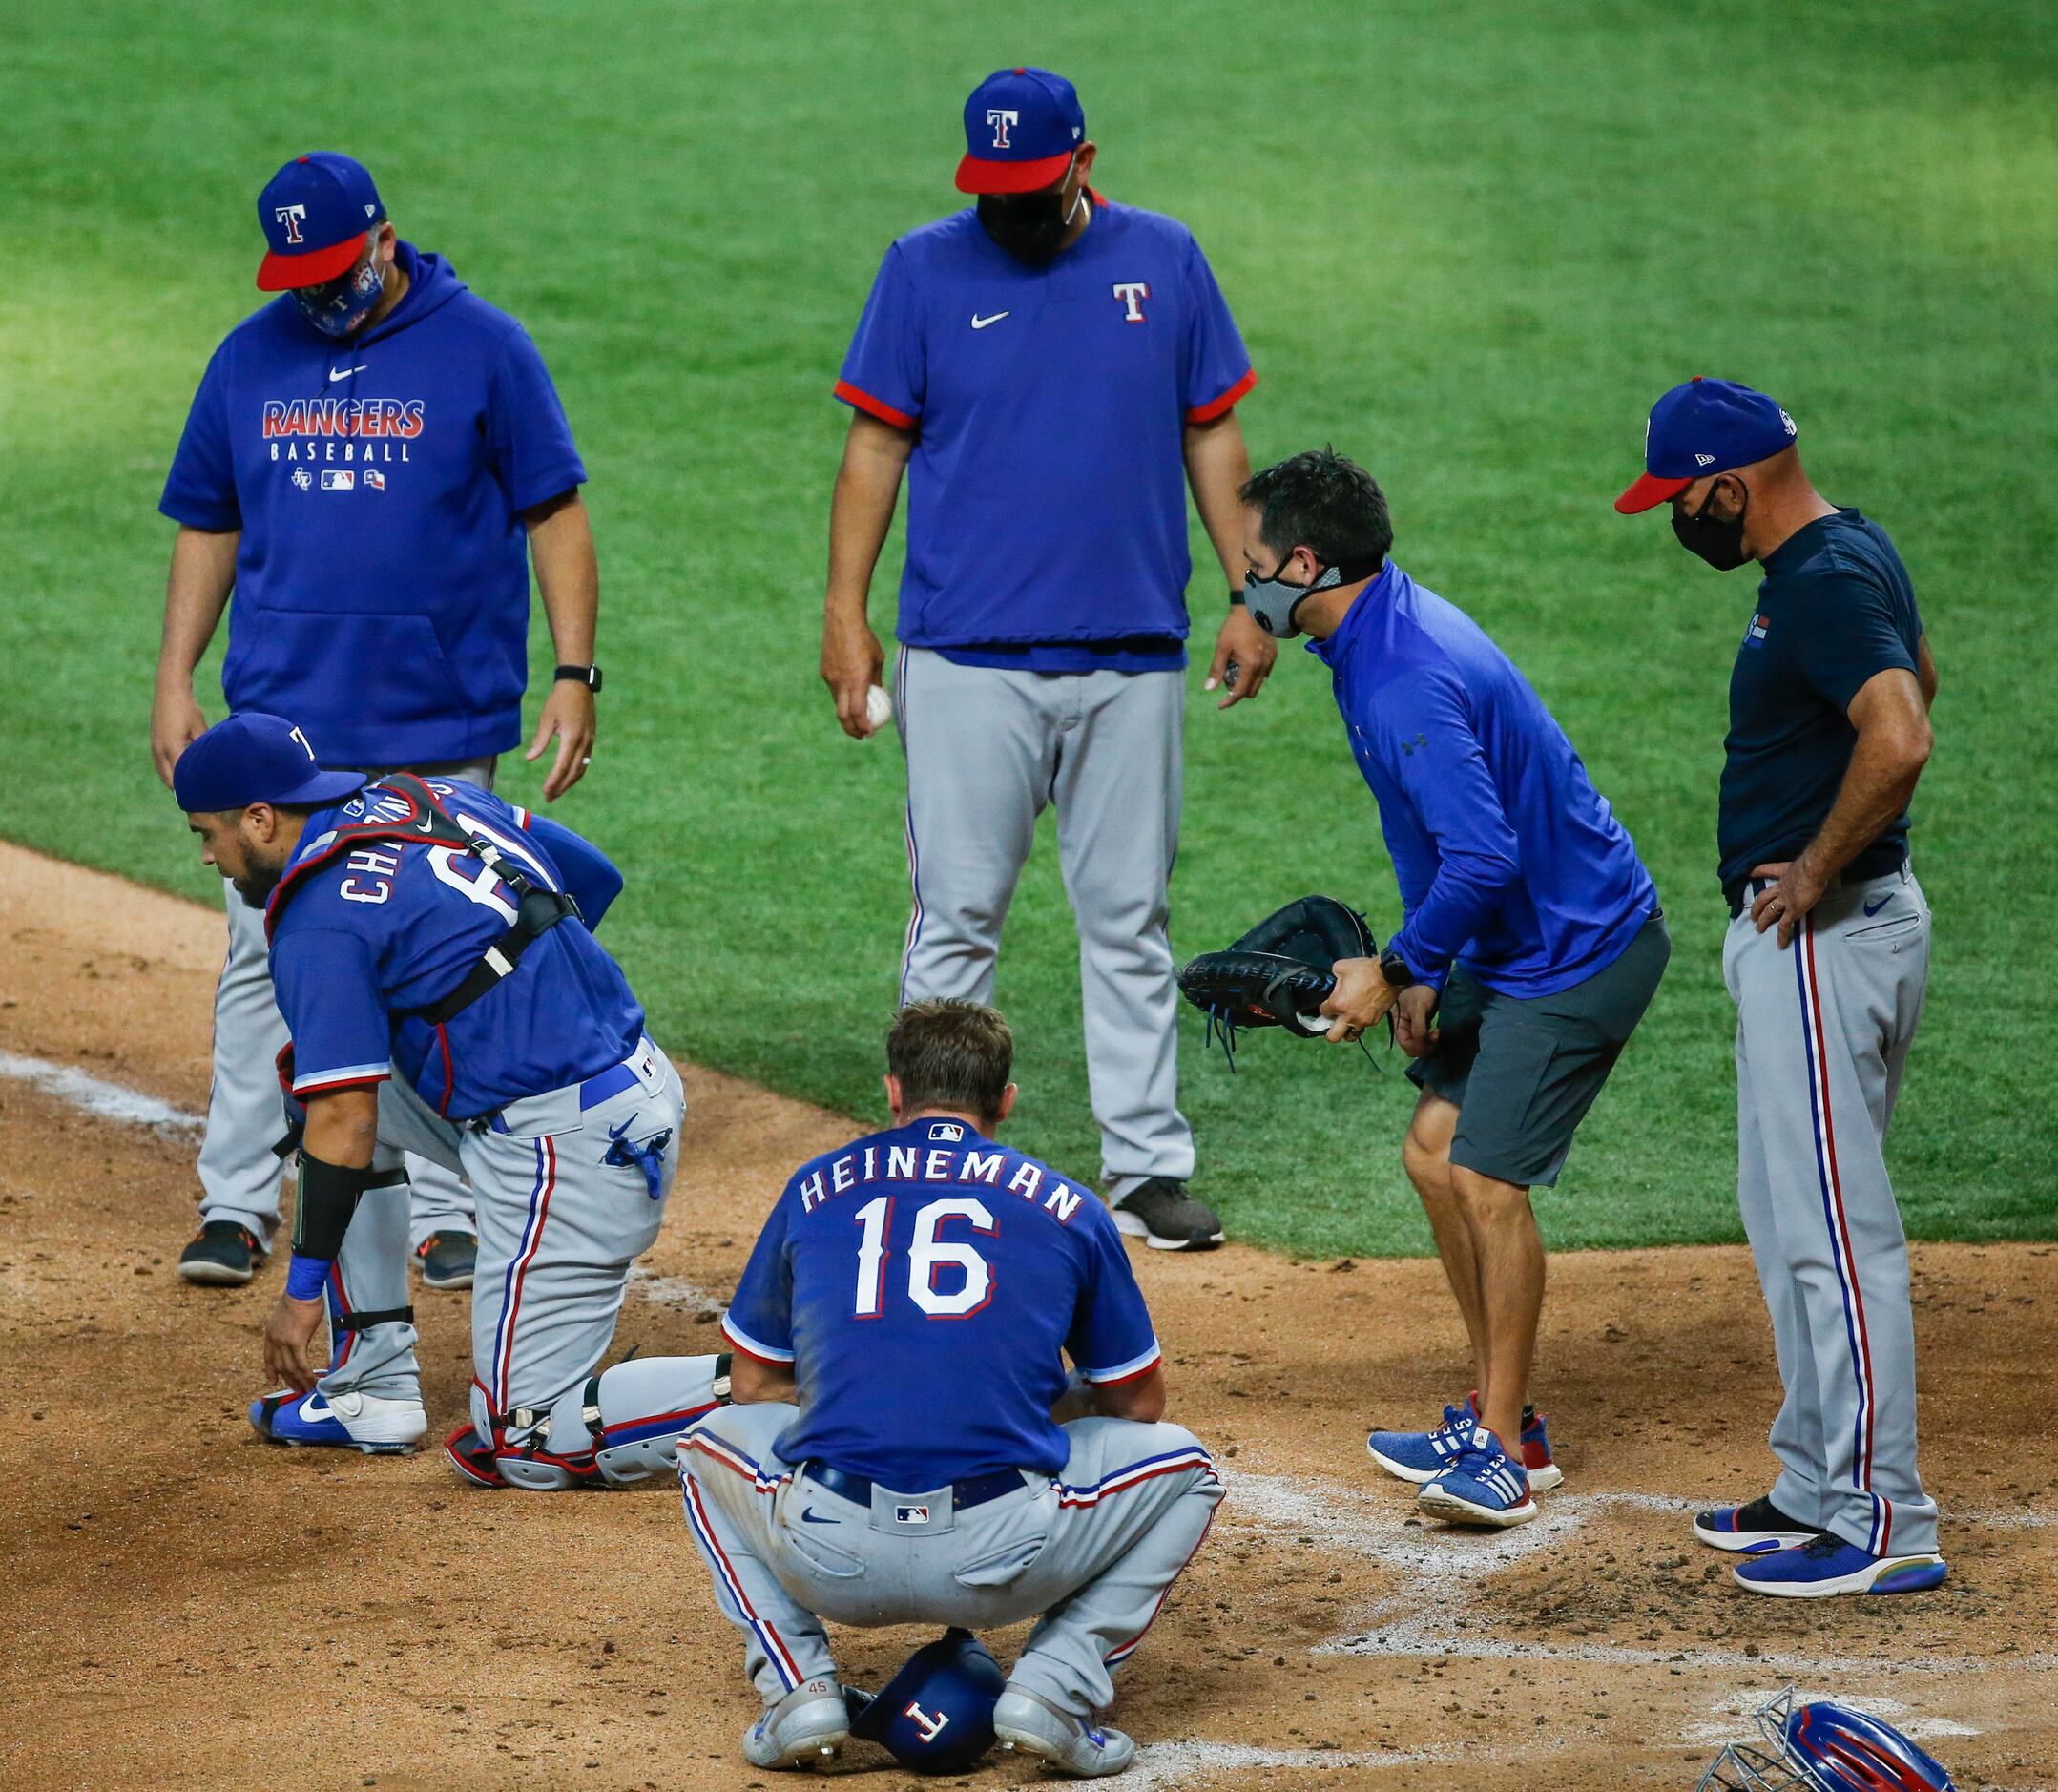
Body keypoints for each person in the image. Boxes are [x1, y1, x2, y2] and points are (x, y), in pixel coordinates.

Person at [819, 67, 1271, 1251]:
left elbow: (1210, 428)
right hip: (965, 655)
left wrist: (1249, 592)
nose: (1009, 210)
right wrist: (844, 612)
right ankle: (936, 1152)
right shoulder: (922, 267)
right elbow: (875, 448)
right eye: (993, 190)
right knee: (957, 915)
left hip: (1130, 653)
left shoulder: (1164, 260)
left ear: (1082, 160)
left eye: (1031, 188)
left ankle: (1146, 1167)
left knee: (1130, 917)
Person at [154, 151, 606, 1293]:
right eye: (296, 272)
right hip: (282, 730)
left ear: (385, 239)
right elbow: (207, 522)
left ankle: (450, 1205)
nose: (318, 291)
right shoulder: (249, 357)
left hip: (438, 724)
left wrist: (575, 672)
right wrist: (174, 676)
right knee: (265, 959)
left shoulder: (485, 347)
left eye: (334, 265)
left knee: (448, 955)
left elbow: (553, 510)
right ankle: (238, 1201)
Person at [1237, 449, 1670, 1529]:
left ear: (1304, 561)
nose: (1241, 584)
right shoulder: (1363, 635)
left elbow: (1484, 859)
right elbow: (1416, 822)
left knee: (1484, 1178)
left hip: (1584, 951)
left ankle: (1508, 1457)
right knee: (1432, 1153)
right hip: (1516, 944)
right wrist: (1425, 962)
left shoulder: (1402, 670)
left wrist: (1389, 972)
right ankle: (1500, 1416)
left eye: (1252, 564)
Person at [172, 713, 726, 1487]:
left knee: (523, 1440)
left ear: (259, 820)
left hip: (571, 1148)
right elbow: (593, 875)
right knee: (318, 1080)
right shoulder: (428, 797)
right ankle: (371, 1389)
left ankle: (782, 1382)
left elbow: (349, 1121)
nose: (207, 856)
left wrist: (299, 1295)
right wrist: (521, 1005)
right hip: (630, 1080)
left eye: (207, 834)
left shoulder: (316, 922)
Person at [679, 999, 1223, 1776]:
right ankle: (1053, 1692)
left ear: (893, 1092)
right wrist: (1037, 1400)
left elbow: (756, 1384)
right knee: (1187, 1469)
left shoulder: (812, 1190)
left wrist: (865, 1394)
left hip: (828, 1555)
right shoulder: (1068, 1206)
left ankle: (796, 1692)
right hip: (1003, 1564)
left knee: (705, 1445)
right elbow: (1137, 1406)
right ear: (1004, 1100)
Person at [1615, 379, 1944, 1598]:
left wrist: (1816, 864)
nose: (1675, 520)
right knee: (1788, 1219)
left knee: (1839, 1245)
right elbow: (1915, 677)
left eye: (1678, 499)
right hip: (1831, 933)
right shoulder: (1851, 548)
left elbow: (1900, 731)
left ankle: (1885, 1519)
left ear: (1728, 484)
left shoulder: (1818, 578)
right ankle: (1814, 1479)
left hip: (1824, 937)